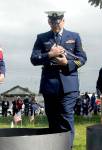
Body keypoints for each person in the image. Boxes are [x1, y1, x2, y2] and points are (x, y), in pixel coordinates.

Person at [30, 11, 87, 147]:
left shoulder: (74, 36)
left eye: (58, 21)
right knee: (53, 119)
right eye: (52, 22)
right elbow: (34, 58)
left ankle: (67, 147)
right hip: (49, 86)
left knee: (66, 116)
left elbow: (82, 58)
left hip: (69, 86)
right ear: (49, 22)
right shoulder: (41, 38)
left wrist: (67, 63)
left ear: (63, 21)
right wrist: (50, 54)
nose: (55, 24)